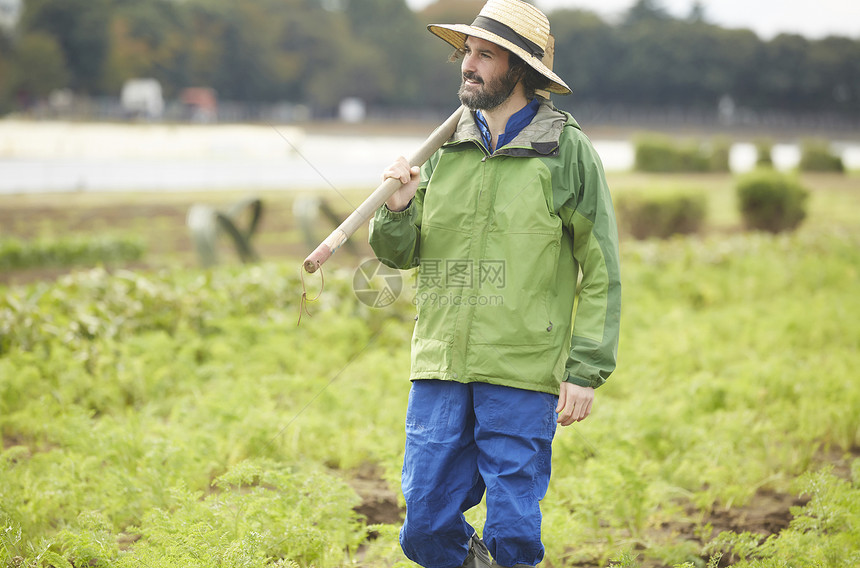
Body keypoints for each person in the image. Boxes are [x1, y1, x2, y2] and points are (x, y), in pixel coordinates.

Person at [368, 1, 621, 567]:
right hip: (440, 365)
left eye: (485, 55)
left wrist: (585, 370)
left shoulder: (566, 151)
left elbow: (601, 267)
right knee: (425, 526)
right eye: (467, 53)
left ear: (520, 70)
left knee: (513, 532)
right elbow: (398, 253)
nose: (469, 65)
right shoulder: (442, 149)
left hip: (523, 370)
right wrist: (398, 208)